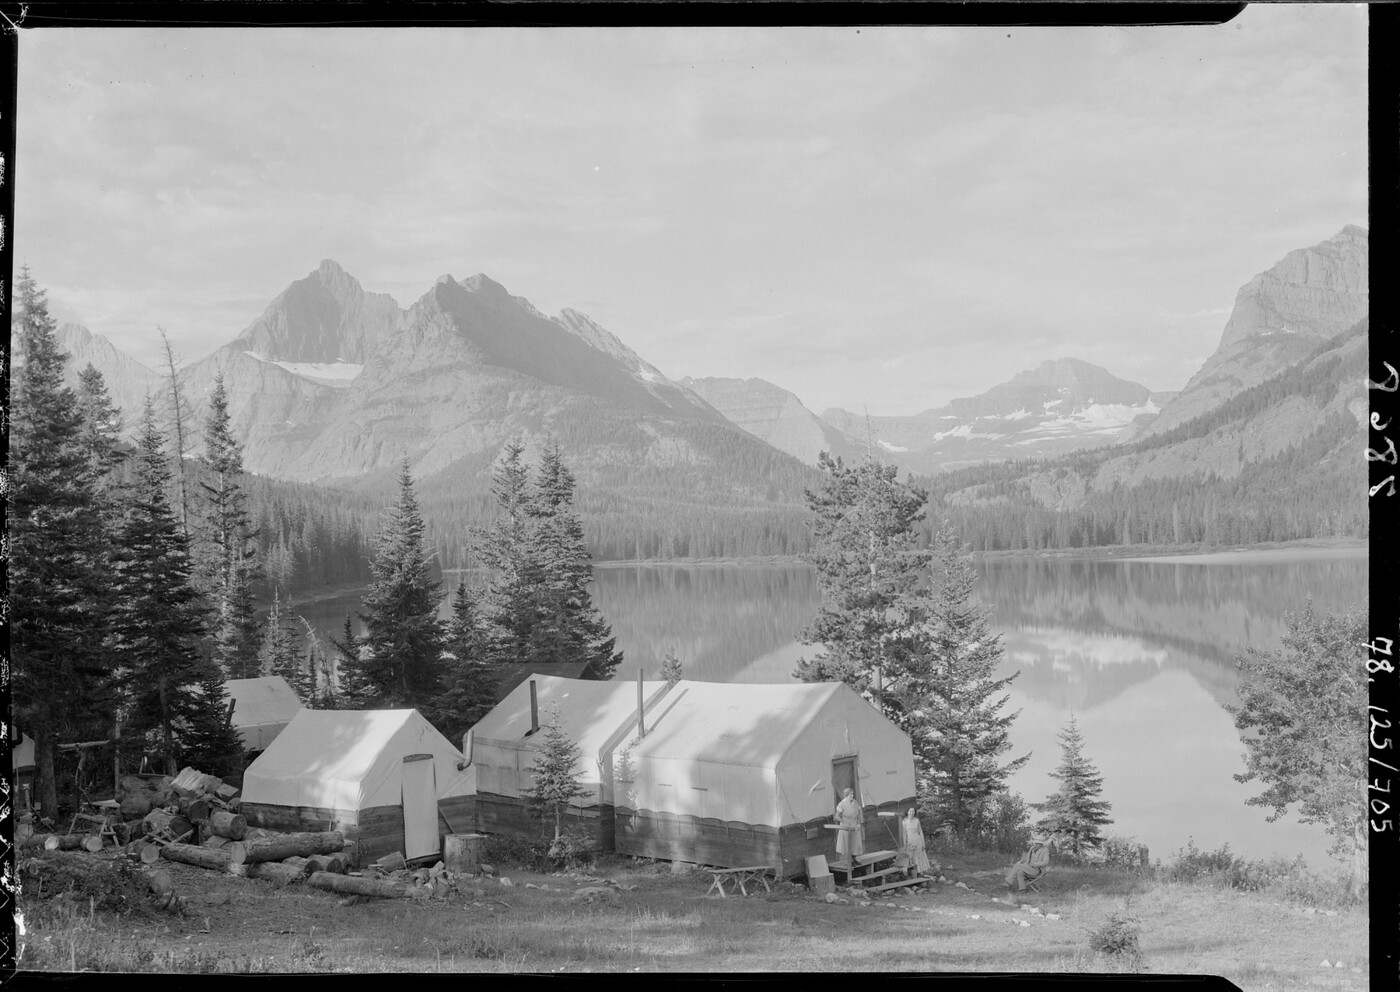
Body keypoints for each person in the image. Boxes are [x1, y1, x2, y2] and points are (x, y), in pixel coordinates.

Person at [897, 807, 932, 875]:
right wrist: (905, 843)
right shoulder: (904, 821)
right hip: (910, 841)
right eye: (910, 811)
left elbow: (920, 831)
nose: (912, 813)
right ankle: (914, 872)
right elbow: (904, 833)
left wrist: (923, 842)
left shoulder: (917, 820)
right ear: (907, 812)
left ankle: (920, 872)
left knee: (919, 855)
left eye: (913, 811)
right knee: (912, 856)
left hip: (918, 840)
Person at [833, 787, 864, 862]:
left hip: (854, 825)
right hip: (846, 826)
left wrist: (859, 822)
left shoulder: (855, 803)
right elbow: (837, 816)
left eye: (853, 794)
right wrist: (843, 821)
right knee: (848, 843)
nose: (852, 796)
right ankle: (849, 860)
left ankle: (854, 859)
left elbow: (859, 814)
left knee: (854, 843)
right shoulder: (842, 804)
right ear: (846, 795)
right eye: (850, 794)